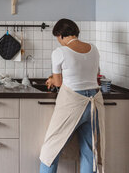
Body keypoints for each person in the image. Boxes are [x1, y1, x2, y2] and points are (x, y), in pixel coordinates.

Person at [39, 18, 105, 173]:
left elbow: (59, 82)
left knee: (51, 149)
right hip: (95, 101)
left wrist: (51, 80)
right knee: (90, 151)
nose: (59, 42)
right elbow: (92, 74)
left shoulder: (60, 52)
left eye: (58, 38)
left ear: (61, 35)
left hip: (73, 102)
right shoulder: (93, 48)